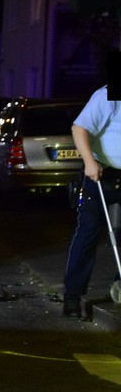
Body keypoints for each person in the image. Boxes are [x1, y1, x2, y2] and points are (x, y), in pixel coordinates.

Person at [62, 83, 121, 317]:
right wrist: (89, 162)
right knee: (88, 231)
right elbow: (79, 128)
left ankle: (119, 286)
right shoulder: (107, 95)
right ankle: (73, 296)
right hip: (101, 174)